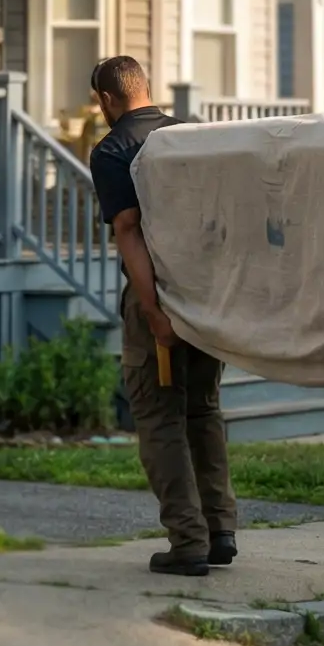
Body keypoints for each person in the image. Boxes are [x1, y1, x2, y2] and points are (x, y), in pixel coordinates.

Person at [86, 55, 238, 576]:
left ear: (107, 99)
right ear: (145, 88)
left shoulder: (113, 150)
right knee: (203, 411)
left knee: (158, 416)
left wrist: (151, 310)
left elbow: (127, 230)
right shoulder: (191, 137)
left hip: (162, 297)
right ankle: (221, 531)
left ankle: (187, 541)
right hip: (205, 296)